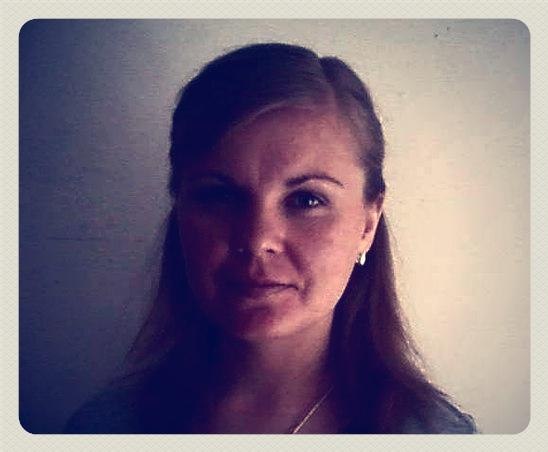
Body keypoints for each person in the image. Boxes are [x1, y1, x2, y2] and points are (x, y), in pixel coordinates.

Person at [65, 42, 477, 434]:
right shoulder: (101, 428)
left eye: (306, 200)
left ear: (368, 223)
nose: (257, 239)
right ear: (181, 209)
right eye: (219, 195)